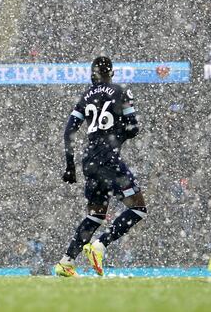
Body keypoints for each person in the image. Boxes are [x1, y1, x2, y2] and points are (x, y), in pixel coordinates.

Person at [55, 56, 147, 277]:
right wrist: (117, 137)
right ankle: (100, 245)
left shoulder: (85, 96)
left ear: (92, 74)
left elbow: (69, 131)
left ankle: (66, 262)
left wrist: (70, 167)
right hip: (108, 158)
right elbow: (133, 127)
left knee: (95, 215)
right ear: (111, 73)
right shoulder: (121, 91)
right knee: (138, 208)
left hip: (89, 160)